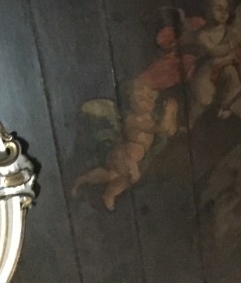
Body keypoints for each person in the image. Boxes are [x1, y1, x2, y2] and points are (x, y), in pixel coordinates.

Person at [72, 81, 178, 211]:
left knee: (112, 175)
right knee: (131, 177)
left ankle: (83, 180)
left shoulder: (151, 116)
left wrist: (173, 114)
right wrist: (169, 111)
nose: (148, 101)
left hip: (132, 157)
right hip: (125, 155)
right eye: (141, 99)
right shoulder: (133, 119)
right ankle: (109, 194)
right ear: (131, 103)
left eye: (150, 96)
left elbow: (170, 131)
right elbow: (161, 128)